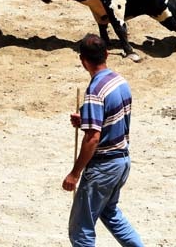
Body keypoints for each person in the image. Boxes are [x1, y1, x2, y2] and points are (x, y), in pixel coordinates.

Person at [62, 33, 144, 247]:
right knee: (111, 214)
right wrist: (87, 120)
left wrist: (74, 173)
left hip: (103, 168)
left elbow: (93, 138)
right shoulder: (120, 82)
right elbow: (113, 119)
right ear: (106, 54)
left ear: (83, 61)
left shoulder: (95, 92)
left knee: (81, 231)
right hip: (122, 162)